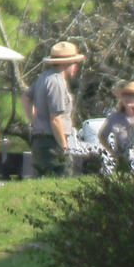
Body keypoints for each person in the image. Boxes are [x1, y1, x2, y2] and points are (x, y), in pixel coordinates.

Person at [28, 40, 85, 177]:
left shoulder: (44, 77)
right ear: (66, 64)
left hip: (39, 139)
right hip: (52, 141)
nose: (75, 67)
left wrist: (34, 122)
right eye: (74, 63)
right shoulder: (57, 82)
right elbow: (56, 118)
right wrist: (64, 148)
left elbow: (25, 98)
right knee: (62, 175)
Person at [102, 80, 134, 168]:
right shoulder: (114, 117)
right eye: (124, 95)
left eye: (131, 95)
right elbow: (102, 136)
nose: (127, 98)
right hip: (122, 164)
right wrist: (113, 153)